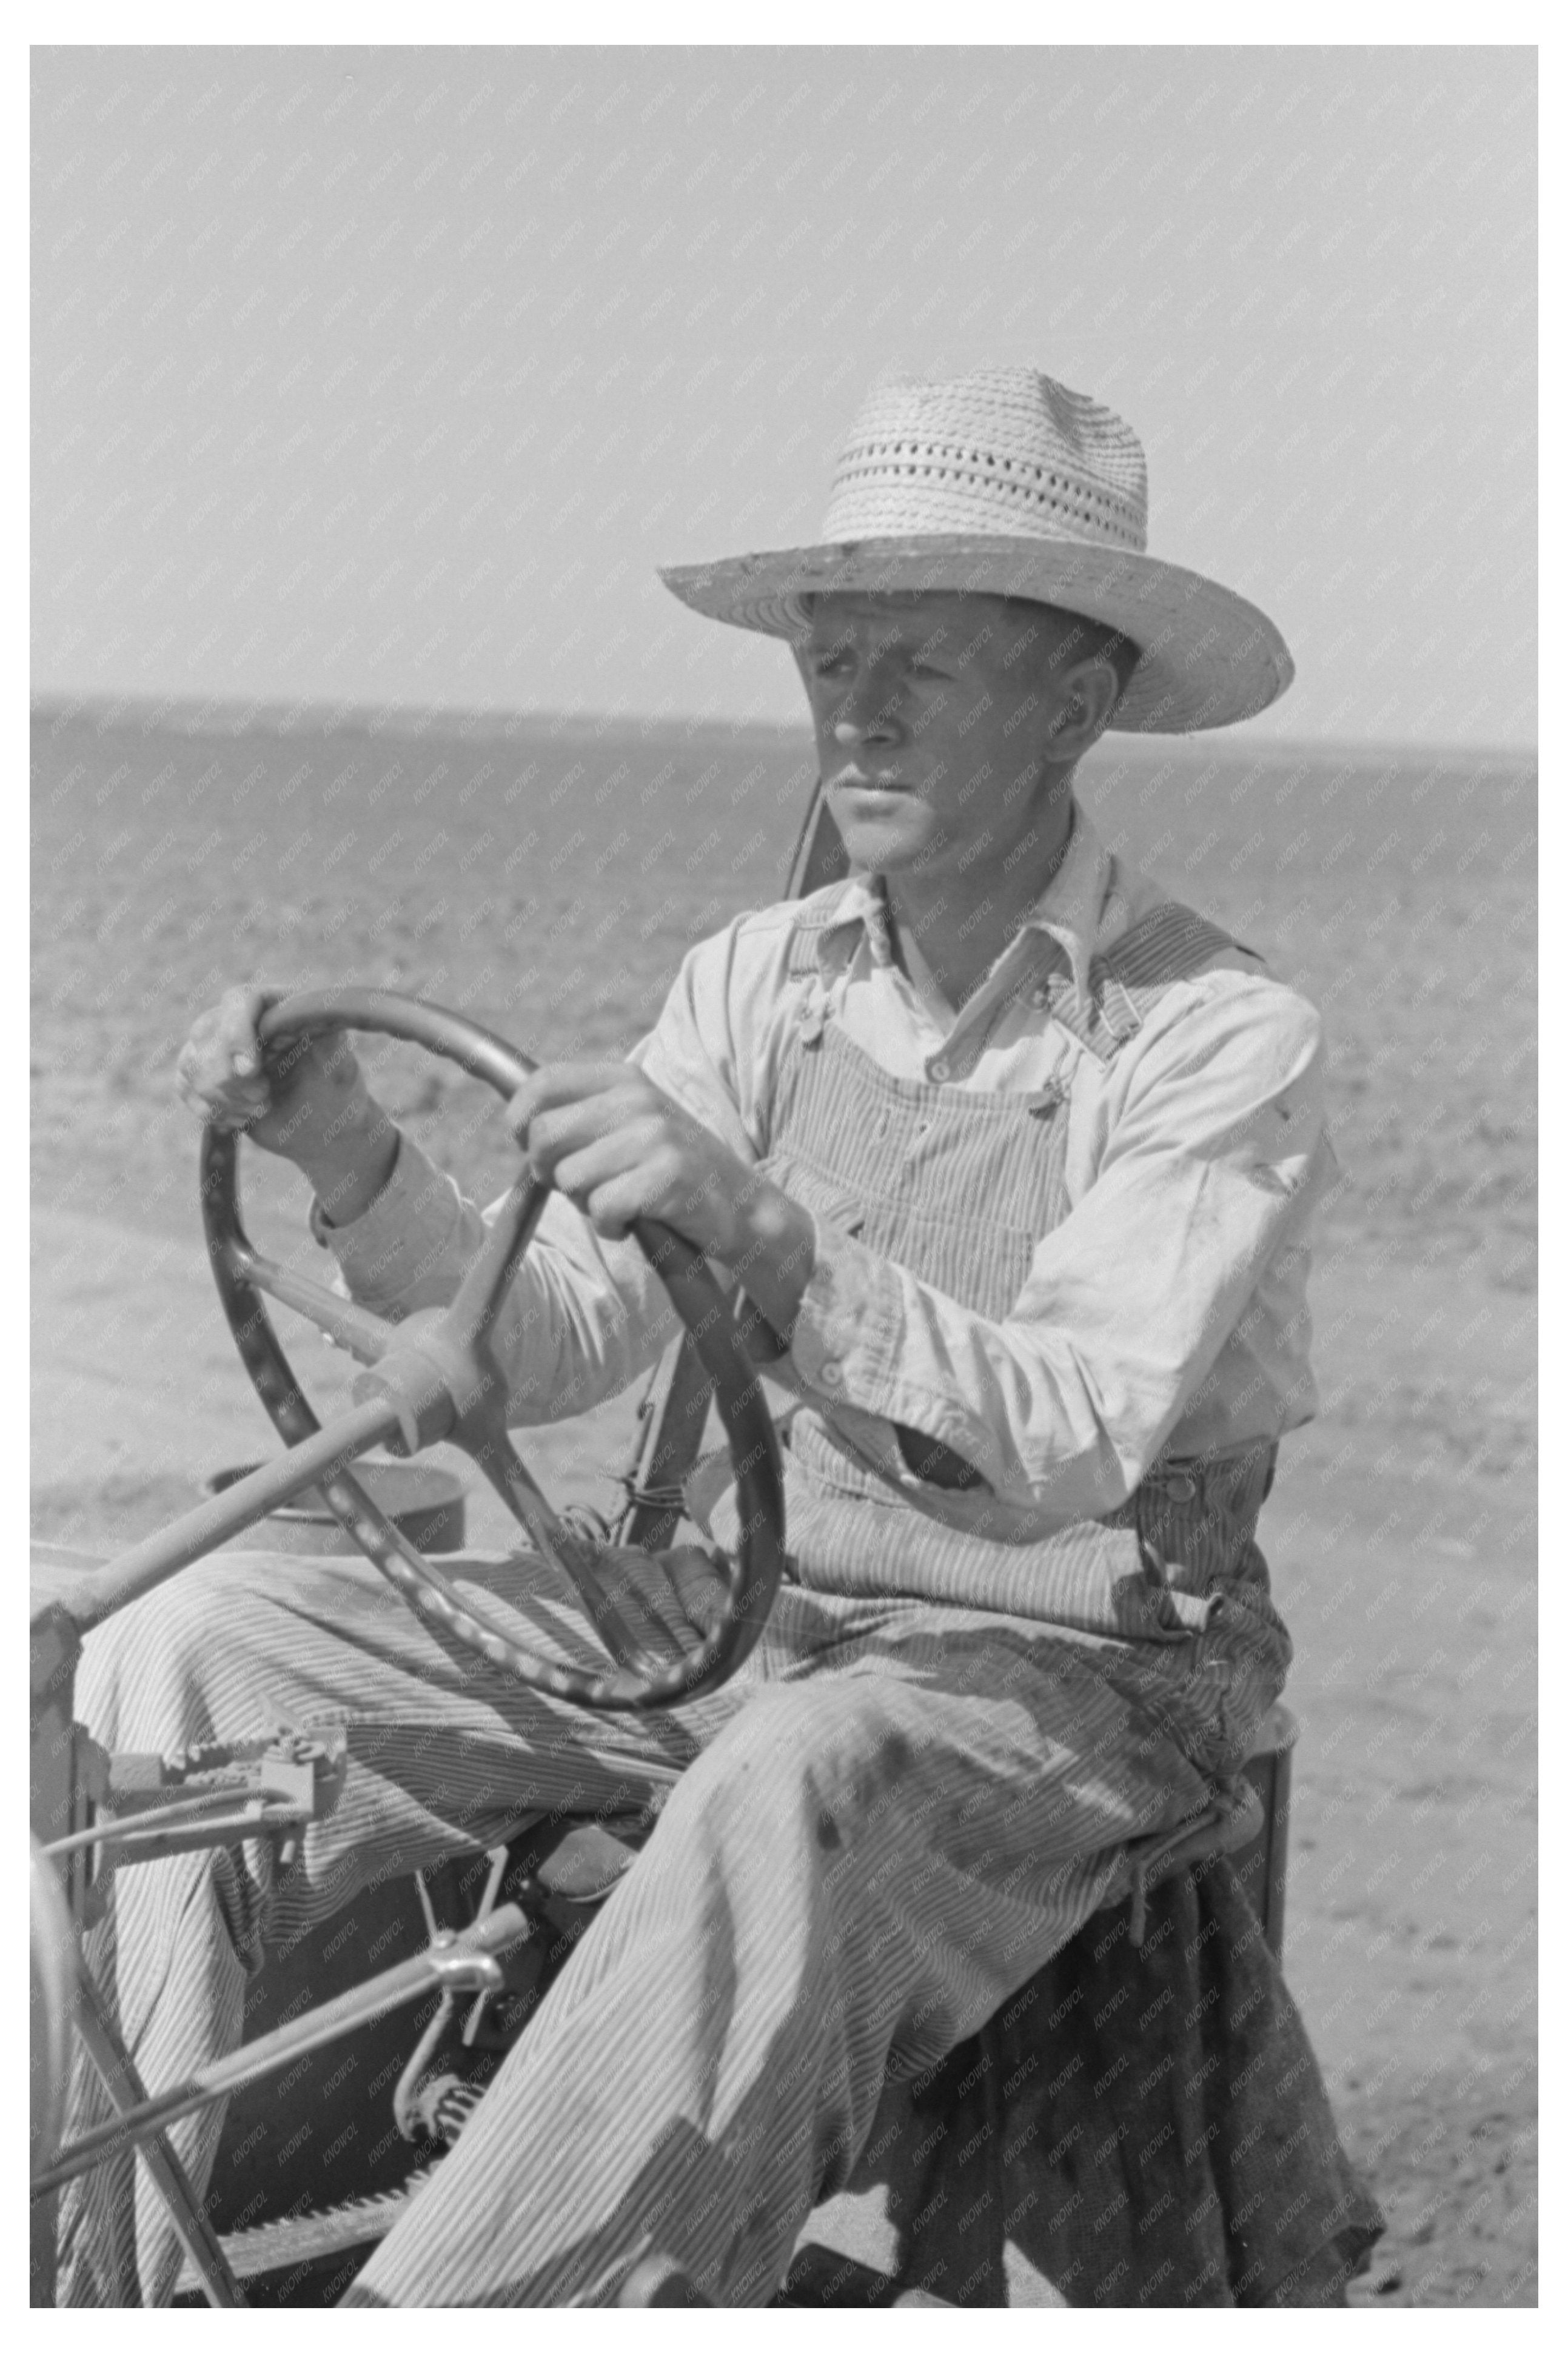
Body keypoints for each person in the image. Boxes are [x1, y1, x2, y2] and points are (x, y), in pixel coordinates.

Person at [59, 366, 1334, 2307]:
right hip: (751, 1620)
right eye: (831, 659)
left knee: (785, 1774)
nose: (855, 709)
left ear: (1077, 700)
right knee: (186, 1636)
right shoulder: (757, 982)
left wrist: (767, 1235)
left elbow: (1071, 1433)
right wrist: (338, 1141)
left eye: (919, 660)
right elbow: (548, 1335)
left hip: (1080, 1676)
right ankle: (107, 2277)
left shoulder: (1211, 1034)